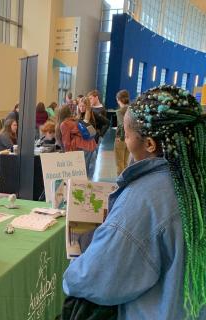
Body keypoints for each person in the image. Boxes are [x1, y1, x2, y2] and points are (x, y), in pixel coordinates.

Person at [63, 86, 206, 319]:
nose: (124, 141)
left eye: (126, 135)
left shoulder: (144, 200)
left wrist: (72, 272)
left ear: (149, 143)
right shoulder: (195, 183)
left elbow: (93, 279)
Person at [56, 105, 97, 179]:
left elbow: (66, 142)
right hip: (92, 145)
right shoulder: (75, 120)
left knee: (81, 174)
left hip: (82, 147)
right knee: (87, 172)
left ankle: (81, 187)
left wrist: (68, 157)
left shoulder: (64, 124)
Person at [114, 89, 130, 175]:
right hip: (130, 139)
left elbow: (121, 125)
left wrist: (121, 137)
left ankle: (120, 185)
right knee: (125, 163)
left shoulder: (119, 111)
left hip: (121, 139)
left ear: (118, 99)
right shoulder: (131, 109)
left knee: (119, 163)